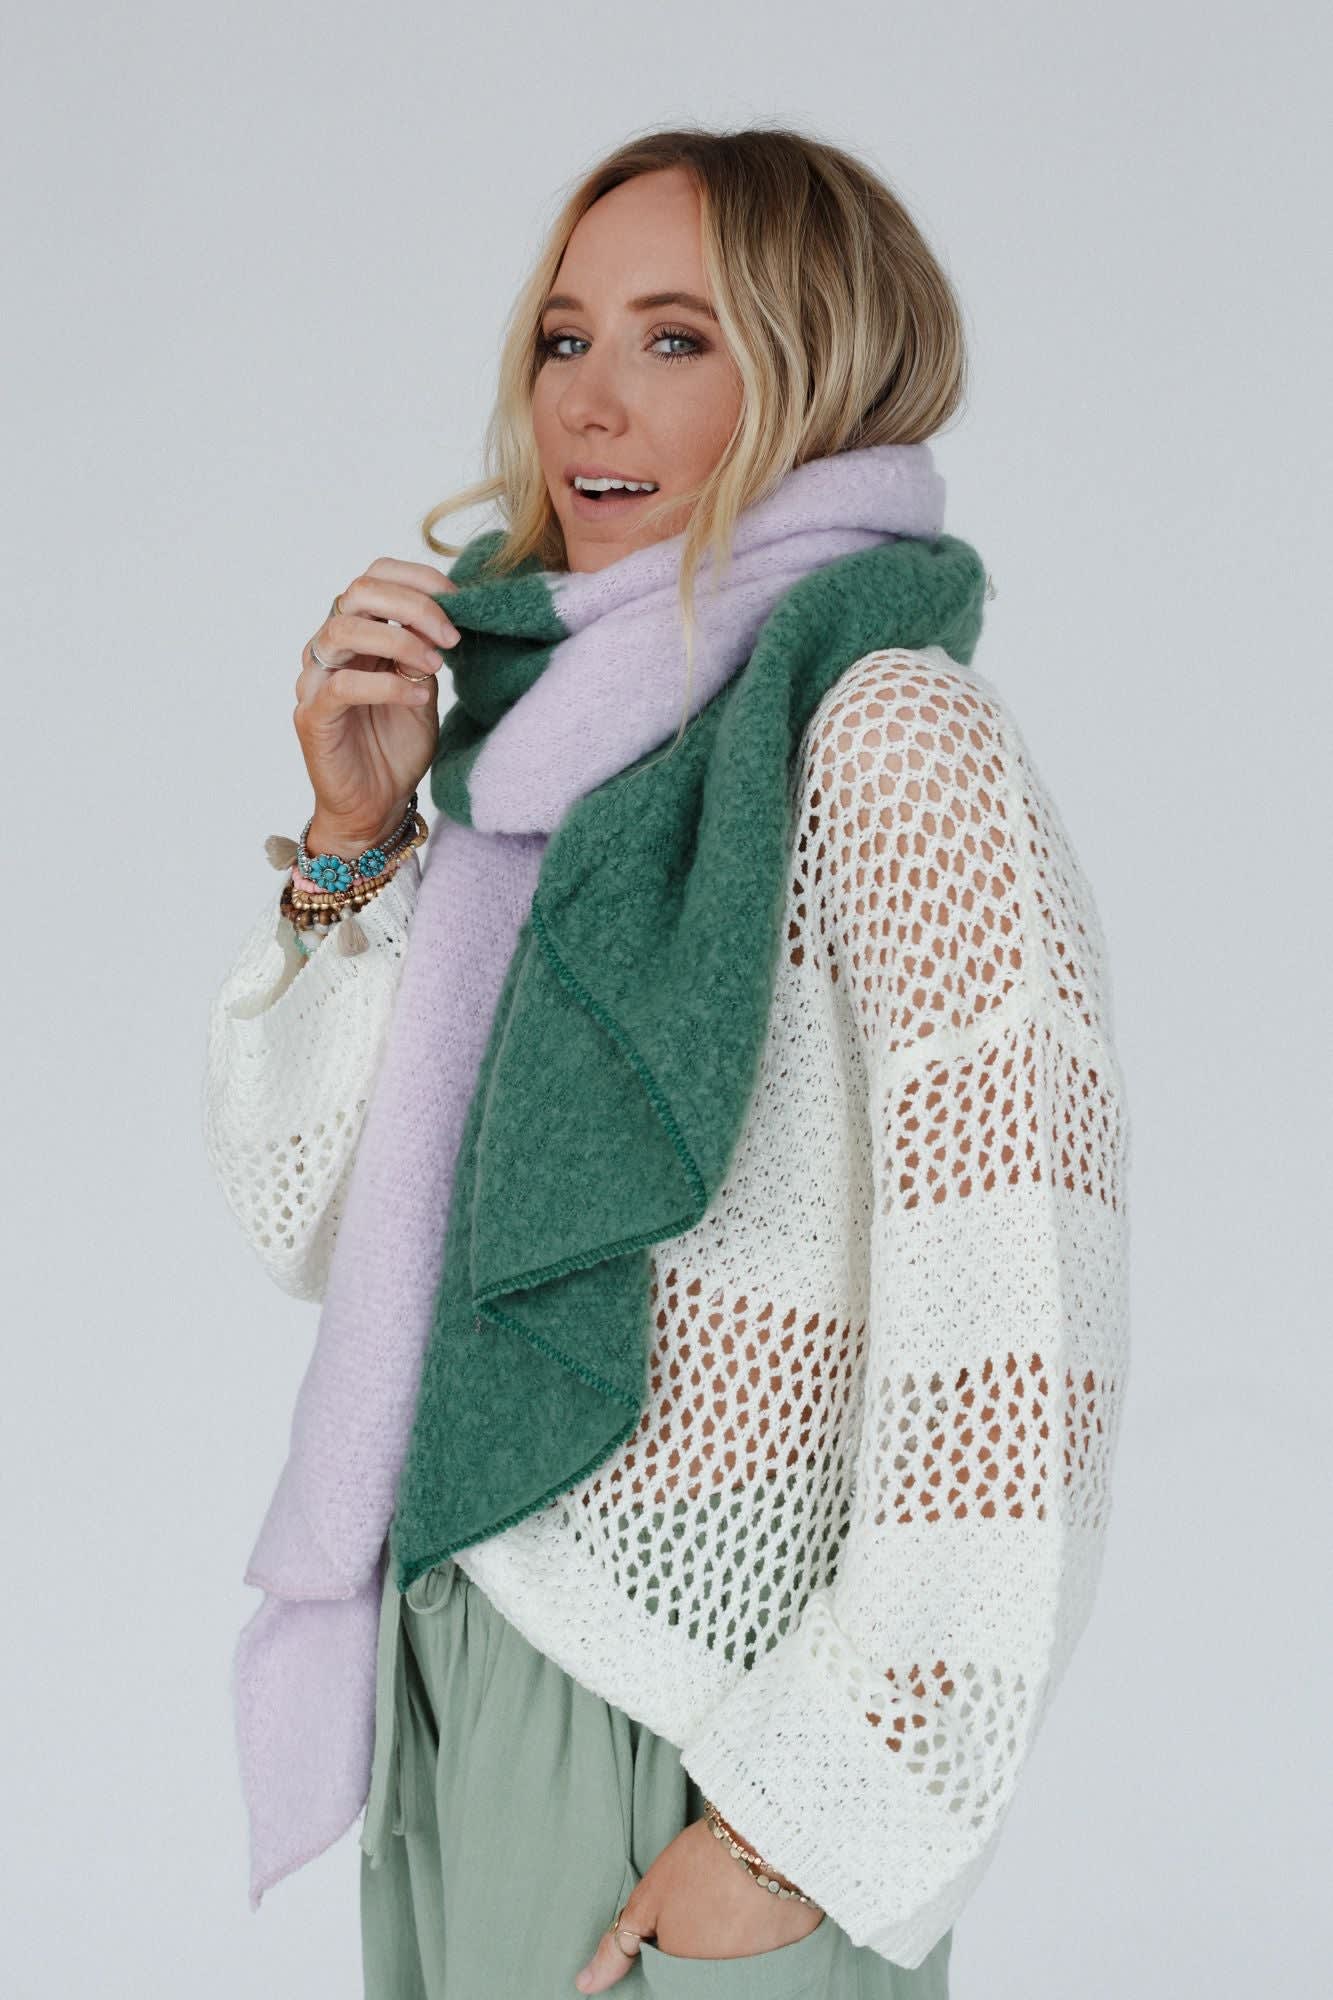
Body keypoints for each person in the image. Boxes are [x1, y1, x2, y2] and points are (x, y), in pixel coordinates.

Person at [204, 125, 1130, 1998]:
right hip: (456, 1658)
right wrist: (357, 847)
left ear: (822, 372)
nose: (588, 400)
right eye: (564, 338)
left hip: (708, 1722)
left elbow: (1024, 1344)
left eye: (675, 339)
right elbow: (305, 1216)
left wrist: (821, 1815)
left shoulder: (890, 739)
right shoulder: (524, 761)